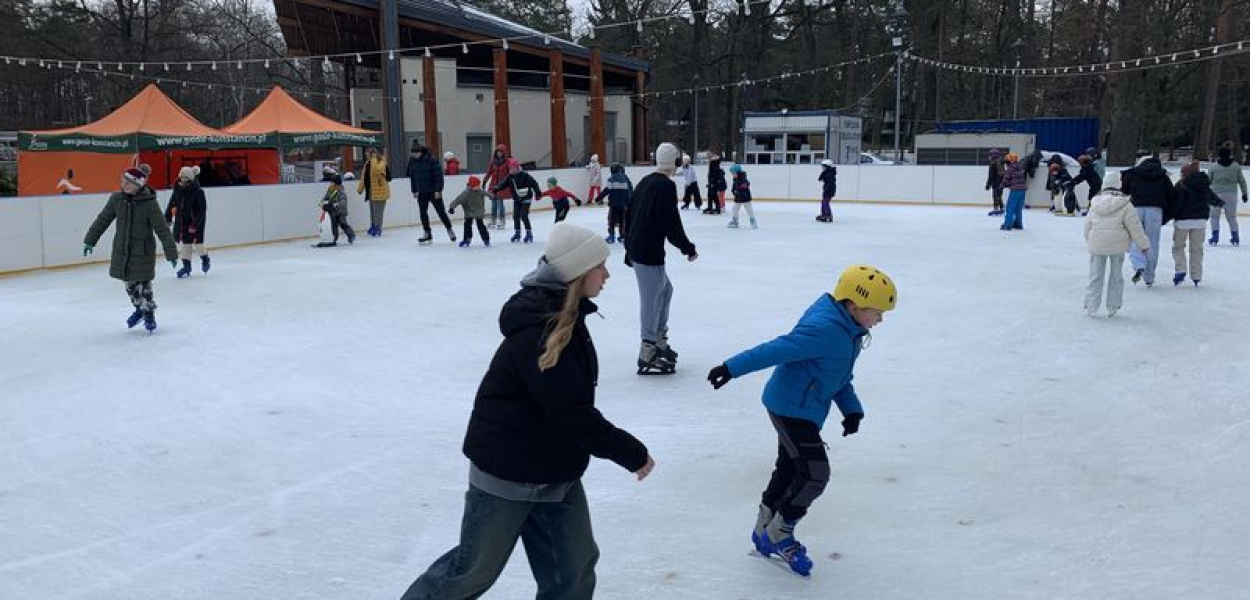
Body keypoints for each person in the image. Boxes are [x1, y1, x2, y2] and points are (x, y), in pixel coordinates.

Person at [398, 222, 654, 600]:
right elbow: (571, 413)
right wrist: (630, 452)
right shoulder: (541, 330)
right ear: (579, 273)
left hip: (555, 469)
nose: (608, 274)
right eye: (601, 265)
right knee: (471, 574)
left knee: (573, 572)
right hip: (508, 473)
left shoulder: (565, 317)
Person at [706, 264, 897, 577]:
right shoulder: (826, 329)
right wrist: (731, 367)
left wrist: (851, 409)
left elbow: (837, 375)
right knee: (815, 474)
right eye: (877, 312)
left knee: (790, 468)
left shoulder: (850, 330)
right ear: (854, 305)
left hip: (802, 406)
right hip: (791, 408)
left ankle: (763, 530)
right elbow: (776, 350)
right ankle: (780, 533)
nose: (880, 319)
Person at [623, 142, 698, 374]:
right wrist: (687, 248)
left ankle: (659, 339)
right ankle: (648, 350)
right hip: (647, 252)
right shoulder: (664, 186)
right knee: (652, 299)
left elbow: (630, 213)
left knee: (665, 291)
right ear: (674, 163)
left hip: (639, 248)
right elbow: (670, 222)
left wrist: (628, 246)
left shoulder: (646, 181)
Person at [82, 166, 179, 333]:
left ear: (138, 185)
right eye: (123, 181)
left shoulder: (150, 204)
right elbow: (103, 219)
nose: (124, 184)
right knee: (129, 285)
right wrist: (90, 240)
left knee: (144, 286)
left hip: (143, 251)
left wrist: (171, 253)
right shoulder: (116, 200)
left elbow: (162, 229)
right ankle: (138, 309)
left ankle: (148, 314)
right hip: (123, 251)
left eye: (129, 182)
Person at [1083, 172, 1150, 316]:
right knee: (1116, 276)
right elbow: (1135, 227)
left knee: (1095, 275)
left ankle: (1091, 305)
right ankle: (1113, 306)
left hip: (1097, 245)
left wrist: (1090, 240)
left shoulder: (1095, 203)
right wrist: (1143, 245)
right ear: (1119, 184)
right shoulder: (1126, 204)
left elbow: (1087, 226)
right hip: (1117, 246)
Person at [1167, 161, 1224, 285]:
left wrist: (1169, 215)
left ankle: (1180, 269)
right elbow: (1213, 198)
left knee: (1178, 247)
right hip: (1200, 221)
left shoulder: (1181, 185)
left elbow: (1176, 203)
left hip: (1182, 221)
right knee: (1197, 249)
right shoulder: (1203, 185)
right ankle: (1196, 275)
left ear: (1185, 174)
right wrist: (1221, 203)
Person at [1120, 155, 1175, 286]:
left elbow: (1124, 191)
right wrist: (1166, 216)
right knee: (1152, 242)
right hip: (1156, 210)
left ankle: (1138, 264)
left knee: (1135, 236)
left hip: (1136, 208)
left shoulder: (1133, 173)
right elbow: (1172, 196)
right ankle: (1149, 276)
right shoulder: (1163, 176)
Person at [164, 166, 210, 276]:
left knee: (198, 245)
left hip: (195, 223)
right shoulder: (177, 190)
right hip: (182, 223)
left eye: (186, 178)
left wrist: (195, 224)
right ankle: (186, 267)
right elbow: (171, 204)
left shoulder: (198, 192)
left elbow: (202, 210)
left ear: (190, 179)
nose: (183, 180)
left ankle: (205, 259)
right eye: (182, 177)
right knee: (186, 245)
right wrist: (168, 218)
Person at [407, 143, 455, 245]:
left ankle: (449, 229)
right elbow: (412, 176)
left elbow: (438, 176)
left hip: (433, 191)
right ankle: (427, 233)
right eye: (412, 154)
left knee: (441, 212)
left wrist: (438, 190)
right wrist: (414, 190)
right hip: (421, 191)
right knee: (423, 213)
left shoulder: (431, 159)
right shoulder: (412, 161)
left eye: (416, 153)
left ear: (420, 152)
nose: (414, 155)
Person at [491, 158, 542, 243]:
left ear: (518, 168)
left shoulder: (525, 175)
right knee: (515, 216)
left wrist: (538, 193)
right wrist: (496, 189)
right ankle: (517, 233)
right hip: (517, 199)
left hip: (526, 198)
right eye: (511, 168)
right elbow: (503, 184)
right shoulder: (509, 177)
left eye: (514, 168)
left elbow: (534, 184)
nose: (513, 170)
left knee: (524, 215)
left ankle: (529, 234)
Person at [1207, 145, 1248, 246]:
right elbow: (1241, 181)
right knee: (1231, 217)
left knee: (1214, 217)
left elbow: (1208, 181)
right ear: (1230, 155)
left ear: (1219, 155)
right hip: (1231, 194)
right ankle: (1235, 237)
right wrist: (1245, 193)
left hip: (1216, 194)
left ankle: (1215, 236)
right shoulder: (1236, 166)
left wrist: (1205, 195)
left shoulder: (1213, 167)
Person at [314, 166, 356, 248]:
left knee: (343, 224)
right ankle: (334, 238)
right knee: (333, 225)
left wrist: (338, 204)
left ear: (336, 183)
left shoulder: (341, 191)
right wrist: (322, 202)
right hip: (332, 211)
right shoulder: (330, 189)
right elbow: (326, 197)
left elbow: (343, 201)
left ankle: (351, 235)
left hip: (341, 211)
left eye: (332, 182)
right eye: (331, 182)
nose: (331, 183)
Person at [448, 176, 491, 248]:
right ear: (471, 185)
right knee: (467, 225)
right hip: (469, 212)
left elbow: (488, 194)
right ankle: (467, 239)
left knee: (481, 225)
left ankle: (486, 239)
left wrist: (494, 196)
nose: (477, 187)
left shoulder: (480, 191)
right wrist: (452, 207)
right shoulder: (466, 193)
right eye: (476, 186)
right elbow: (457, 200)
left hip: (478, 211)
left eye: (478, 185)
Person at [357, 147, 392, 237]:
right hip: (371, 190)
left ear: (373, 153)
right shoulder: (367, 163)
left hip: (380, 190)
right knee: (372, 211)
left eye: (367, 153)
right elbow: (364, 177)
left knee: (378, 211)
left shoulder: (381, 161)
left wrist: (374, 158)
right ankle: (373, 225)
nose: (365, 154)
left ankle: (378, 227)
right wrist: (360, 189)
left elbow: (376, 171)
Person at [597, 163, 633, 244]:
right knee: (622, 220)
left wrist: (598, 198)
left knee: (611, 220)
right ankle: (623, 236)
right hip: (623, 205)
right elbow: (629, 191)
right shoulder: (625, 179)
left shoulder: (611, 179)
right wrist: (629, 203)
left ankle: (611, 236)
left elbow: (606, 190)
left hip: (613, 205)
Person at [482, 145, 512, 229]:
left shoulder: (507, 162)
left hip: (502, 186)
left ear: (504, 153)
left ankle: (502, 221)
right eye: (498, 152)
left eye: (501, 152)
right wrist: (484, 181)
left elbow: (510, 174)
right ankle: (493, 220)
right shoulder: (493, 162)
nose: (499, 153)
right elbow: (488, 172)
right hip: (493, 186)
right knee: (493, 205)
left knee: (500, 204)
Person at [1000, 153, 1027, 231]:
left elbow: (1006, 179)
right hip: (1023, 191)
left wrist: (1001, 186)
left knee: (1010, 207)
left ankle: (1007, 225)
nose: (1006, 163)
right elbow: (1016, 179)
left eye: (1007, 161)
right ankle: (1018, 224)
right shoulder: (1020, 168)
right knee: (1018, 208)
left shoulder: (1010, 168)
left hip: (1015, 190)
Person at [727, 164, 757, 229]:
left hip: (745, 197)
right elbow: (734, 186)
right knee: (735, 209)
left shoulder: (742, 177)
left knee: (748, 209)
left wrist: (743, 186)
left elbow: (746, 183)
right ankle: (735, 221)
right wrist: (733, 191)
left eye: (733, 173)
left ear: (737, 172)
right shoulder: (735, 178)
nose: (732, 174)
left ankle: (752, 220)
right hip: (738, 197)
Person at [984, 149, 1006, 216]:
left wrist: (988, 185)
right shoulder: (1000, 161)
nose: (989, 156)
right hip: (1001, 182)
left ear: (993, 155)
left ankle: (996, 209)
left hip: (996, 182)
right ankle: (1001, 208)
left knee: (995, 196)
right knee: (999, 196)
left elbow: (991, 175)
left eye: (990, 155)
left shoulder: (993, 163)